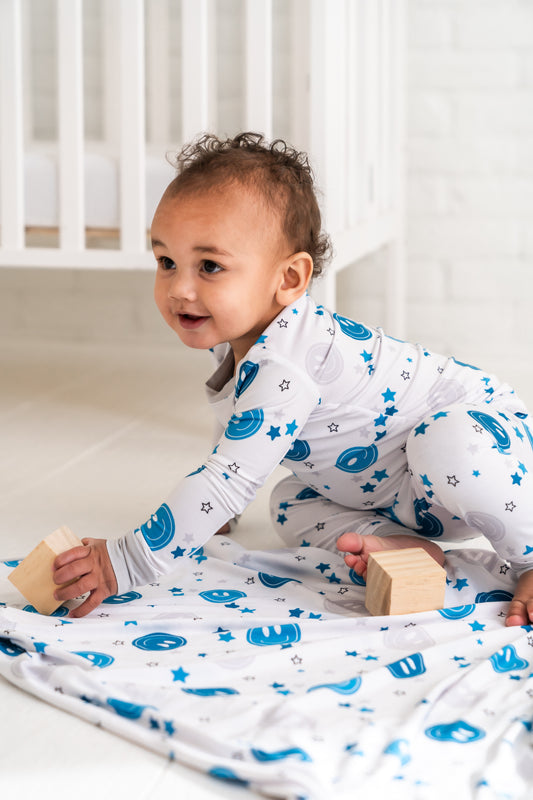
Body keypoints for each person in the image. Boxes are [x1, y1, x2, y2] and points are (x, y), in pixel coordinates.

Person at [53, 132, 533, 626]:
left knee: (446, 441)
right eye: (166, 262)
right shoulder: (239, 342)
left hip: (486, 448)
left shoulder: (289, 359)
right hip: (400, 496)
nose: (180, 288)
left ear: (288, 279)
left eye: (210, 266)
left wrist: (126, 560)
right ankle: (406, 548)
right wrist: (217, 513)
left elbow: (227, 481)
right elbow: (241, 431)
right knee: (287, 502)